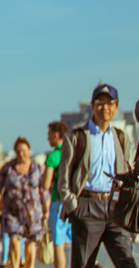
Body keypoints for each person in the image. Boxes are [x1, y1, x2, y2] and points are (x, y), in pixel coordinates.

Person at [57, 84, 136, 268]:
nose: (105, 108)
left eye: (110, 104)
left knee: (127, 262)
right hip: (87, 207)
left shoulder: (121, 138)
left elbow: (129, 173)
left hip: (115, 208)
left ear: (116, 107)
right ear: (92, 106)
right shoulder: (77, 137)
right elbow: (64, 177)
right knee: (84, 264)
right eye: (100, 103)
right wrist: (73, 207)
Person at [0, 138, 44, 268]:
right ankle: (15, 266)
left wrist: (46, 210)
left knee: (30, 243)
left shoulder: (37, 169)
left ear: (29, 151)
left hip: (32, 212)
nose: (21, 154)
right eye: (18, 151)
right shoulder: (9, 168)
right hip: (12, 211)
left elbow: (44, 191)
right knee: (13, 239)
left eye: (24, 151)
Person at [43, 122, 72, 268]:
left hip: (58, 203)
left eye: (49, 135)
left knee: (58, 244)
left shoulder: (53, 157)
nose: (48, 139)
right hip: (74, 202)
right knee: (76, 242)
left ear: (56, 135)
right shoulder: (72, 152)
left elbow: (46, 184)